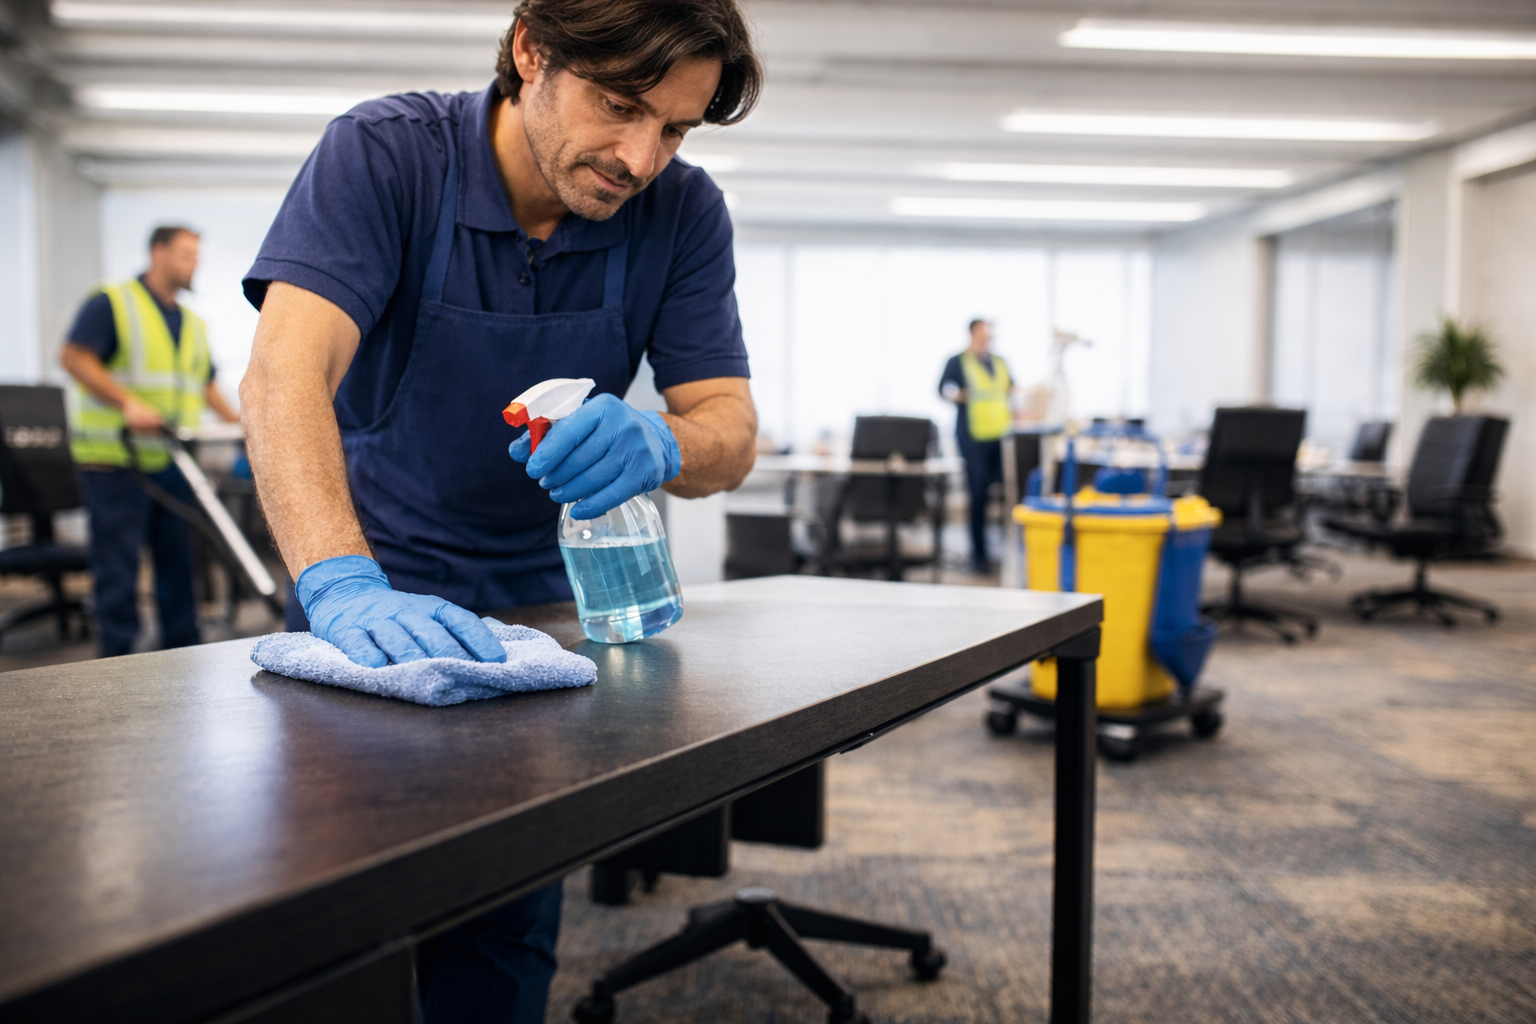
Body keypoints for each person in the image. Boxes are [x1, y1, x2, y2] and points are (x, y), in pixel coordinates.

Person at [237, 0, 762, 1020]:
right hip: (368, 601)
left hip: (543, 624)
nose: (641, 156)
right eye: (621, 106)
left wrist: (665, 441)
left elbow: (731, 430)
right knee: (341, 927)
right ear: (532, 50)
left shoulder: (685, 214)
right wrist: (340, 582)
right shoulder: (386, 156)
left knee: (505, 928)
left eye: (675, 128)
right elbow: (282, 376)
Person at [60, 225, 241, 657]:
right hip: (114, 459)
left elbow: (206, 385)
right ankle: (117, 658)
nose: (192, 263)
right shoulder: (114, 302)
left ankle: (182, 651)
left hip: (170, 459)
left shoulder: (193, 323)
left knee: (177, 563)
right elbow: (74, 357)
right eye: (184, 254)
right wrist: (128, 404)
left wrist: (244, 427)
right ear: (157, 252)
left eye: (197, 255)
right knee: (119, 567)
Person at [939, 319, 1014, 573]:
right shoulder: (958, 361)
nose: (988, 335)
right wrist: (960, 395)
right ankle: (979, 557)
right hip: (972, 437)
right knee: (978, 495)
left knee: (1009, 494)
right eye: (984, 330)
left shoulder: (1000, 362)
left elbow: (1011, 388)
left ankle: (1007, 553)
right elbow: (943, 390)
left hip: (1001, 437)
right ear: (973, 332)